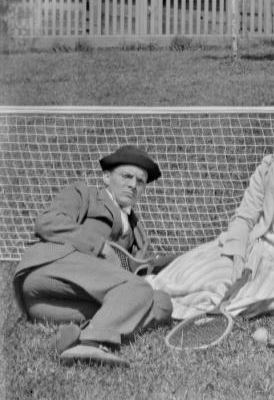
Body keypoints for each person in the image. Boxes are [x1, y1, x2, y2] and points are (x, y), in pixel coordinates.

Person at [149, 93, 274, 323]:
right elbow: (245, 217)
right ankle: (149, 291)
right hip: (253, 246)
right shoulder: (269, 169)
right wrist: (237, 252)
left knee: (238, 295)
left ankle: (202, 309)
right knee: (201, 272)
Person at [12, 145, 172, 366]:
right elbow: (47, 222)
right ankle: (92, 343)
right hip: (50, 269)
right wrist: (100, 247)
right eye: (126, 176)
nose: (133, 185)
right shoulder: (84, 194)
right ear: (106, 177)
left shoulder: (138, 231)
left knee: (161, 304)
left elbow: (137, 270)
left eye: (140, 181)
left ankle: (77, 337)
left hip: (49, 307)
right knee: (138, 288)